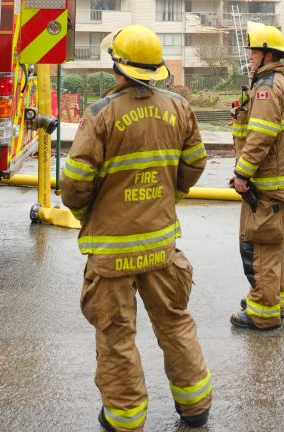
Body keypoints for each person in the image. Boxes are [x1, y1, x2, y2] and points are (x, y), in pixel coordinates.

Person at [60, 24, 212, 431]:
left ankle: (125, 419)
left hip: (112, 251)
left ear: (118, 67)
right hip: (162, 245)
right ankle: (195, 406)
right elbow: (195, 162)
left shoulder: (100, 114)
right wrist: (170, 195)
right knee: (175, 323)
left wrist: (86, 212)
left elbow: (74, 184)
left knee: (116, 335)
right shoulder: (179, 107)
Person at [229, 23, 284, 331]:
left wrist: (242, 173)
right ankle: (270, 302)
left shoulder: (267, 87)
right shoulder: (276, 82)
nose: (250, 57)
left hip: (266, 185)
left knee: (260, 248)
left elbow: (261, 137)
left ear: (268, 54)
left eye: (254, 51)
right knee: (272, 248)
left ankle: (262, 313)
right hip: (273, 183)